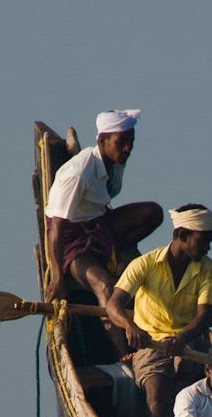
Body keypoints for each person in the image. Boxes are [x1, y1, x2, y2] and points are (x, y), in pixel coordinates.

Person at [43, 109, 163, 334]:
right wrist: (58, 277)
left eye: (131, 142)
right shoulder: (78, 173)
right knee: (105, 286)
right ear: (102, 141)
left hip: (98, 222)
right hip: (71, 239)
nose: (127, 148)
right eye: (121, 142)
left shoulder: (115, 161)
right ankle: (122, 359)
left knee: (153, 213)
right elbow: (57, 227)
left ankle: (115, 252)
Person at [105, 204, 212, 417]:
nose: (208, 247)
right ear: (182, 236)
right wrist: (130, 326)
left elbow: (205, 315)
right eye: (203, 241)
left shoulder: (210, 269)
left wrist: (183, 338)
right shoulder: (144, 264)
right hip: (151, 344)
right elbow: (112, 305)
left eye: (210, 240)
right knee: (156, 388)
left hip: (190, 343)